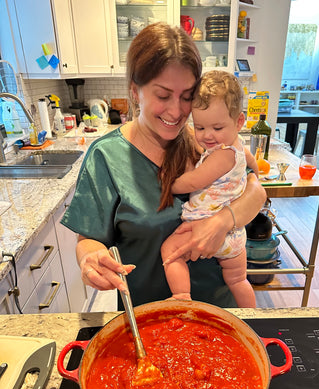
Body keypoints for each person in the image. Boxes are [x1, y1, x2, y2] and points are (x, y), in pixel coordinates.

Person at [61, 22, 266, 309]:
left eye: (187, 97)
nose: (176, 111)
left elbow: (256, 191)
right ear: (135, 91)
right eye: (162, 95)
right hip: (151, 315)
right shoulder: (106, 157)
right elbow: (88, 240)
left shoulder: (206, 142)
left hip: (221, 308)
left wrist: (220, 222)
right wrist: (89, 259)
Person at [161, 71, 256, 307]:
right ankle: (254, 318)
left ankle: (182, 296)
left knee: (170, 250)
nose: (207, 136)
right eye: (200, 127)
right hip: (235, 236)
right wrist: (254, 171)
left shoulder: (223, 155)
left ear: (239, 122)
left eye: (217, 127)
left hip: (204, 225)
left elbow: (194, 182)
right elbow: (251, 161)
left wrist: (170, 184)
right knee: (238, 279)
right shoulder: (237, 147)